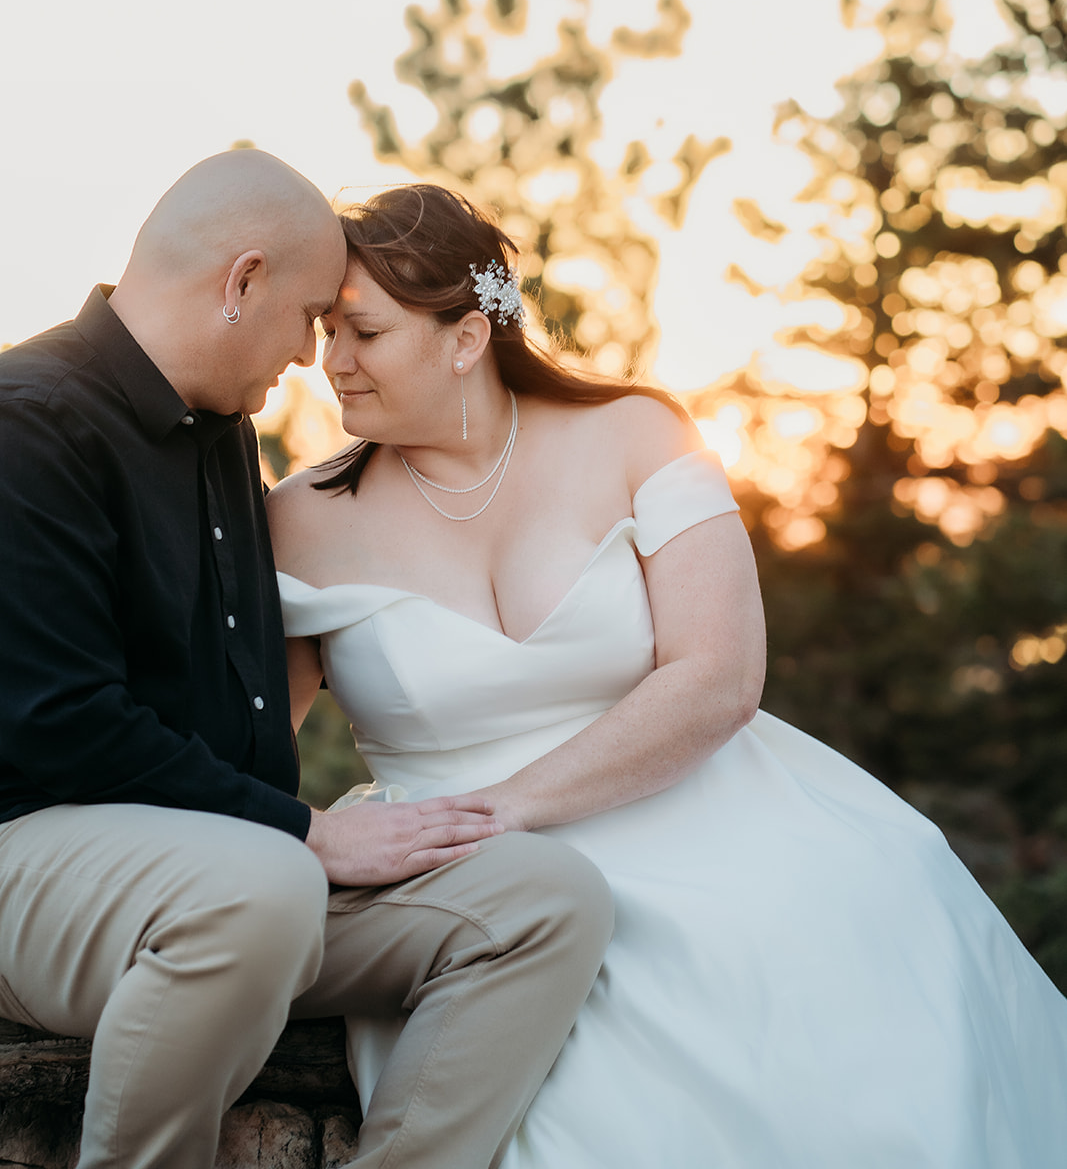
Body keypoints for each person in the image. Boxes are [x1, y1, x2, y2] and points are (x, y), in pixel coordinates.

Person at [269, 181, 1067, 1169]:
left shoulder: (638, 434)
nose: (328, 362)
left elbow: (719, 675)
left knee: (846, 971)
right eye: (321, 329)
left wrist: (513, 803)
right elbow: (248, 748)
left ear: (465, 336)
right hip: (471, 876)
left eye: (362, 332)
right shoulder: (299, 517)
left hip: (704, 801)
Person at [0, 151, 613, 1169]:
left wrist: (301, 835)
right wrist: (302, 830)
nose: (309, 357)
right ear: (240, 283)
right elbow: (54, 721)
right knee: (260, 886)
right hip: (37, 862)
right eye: (306, 317)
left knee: (547, 898)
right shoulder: (29, 421)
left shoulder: (221, 433)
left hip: (237, 878)